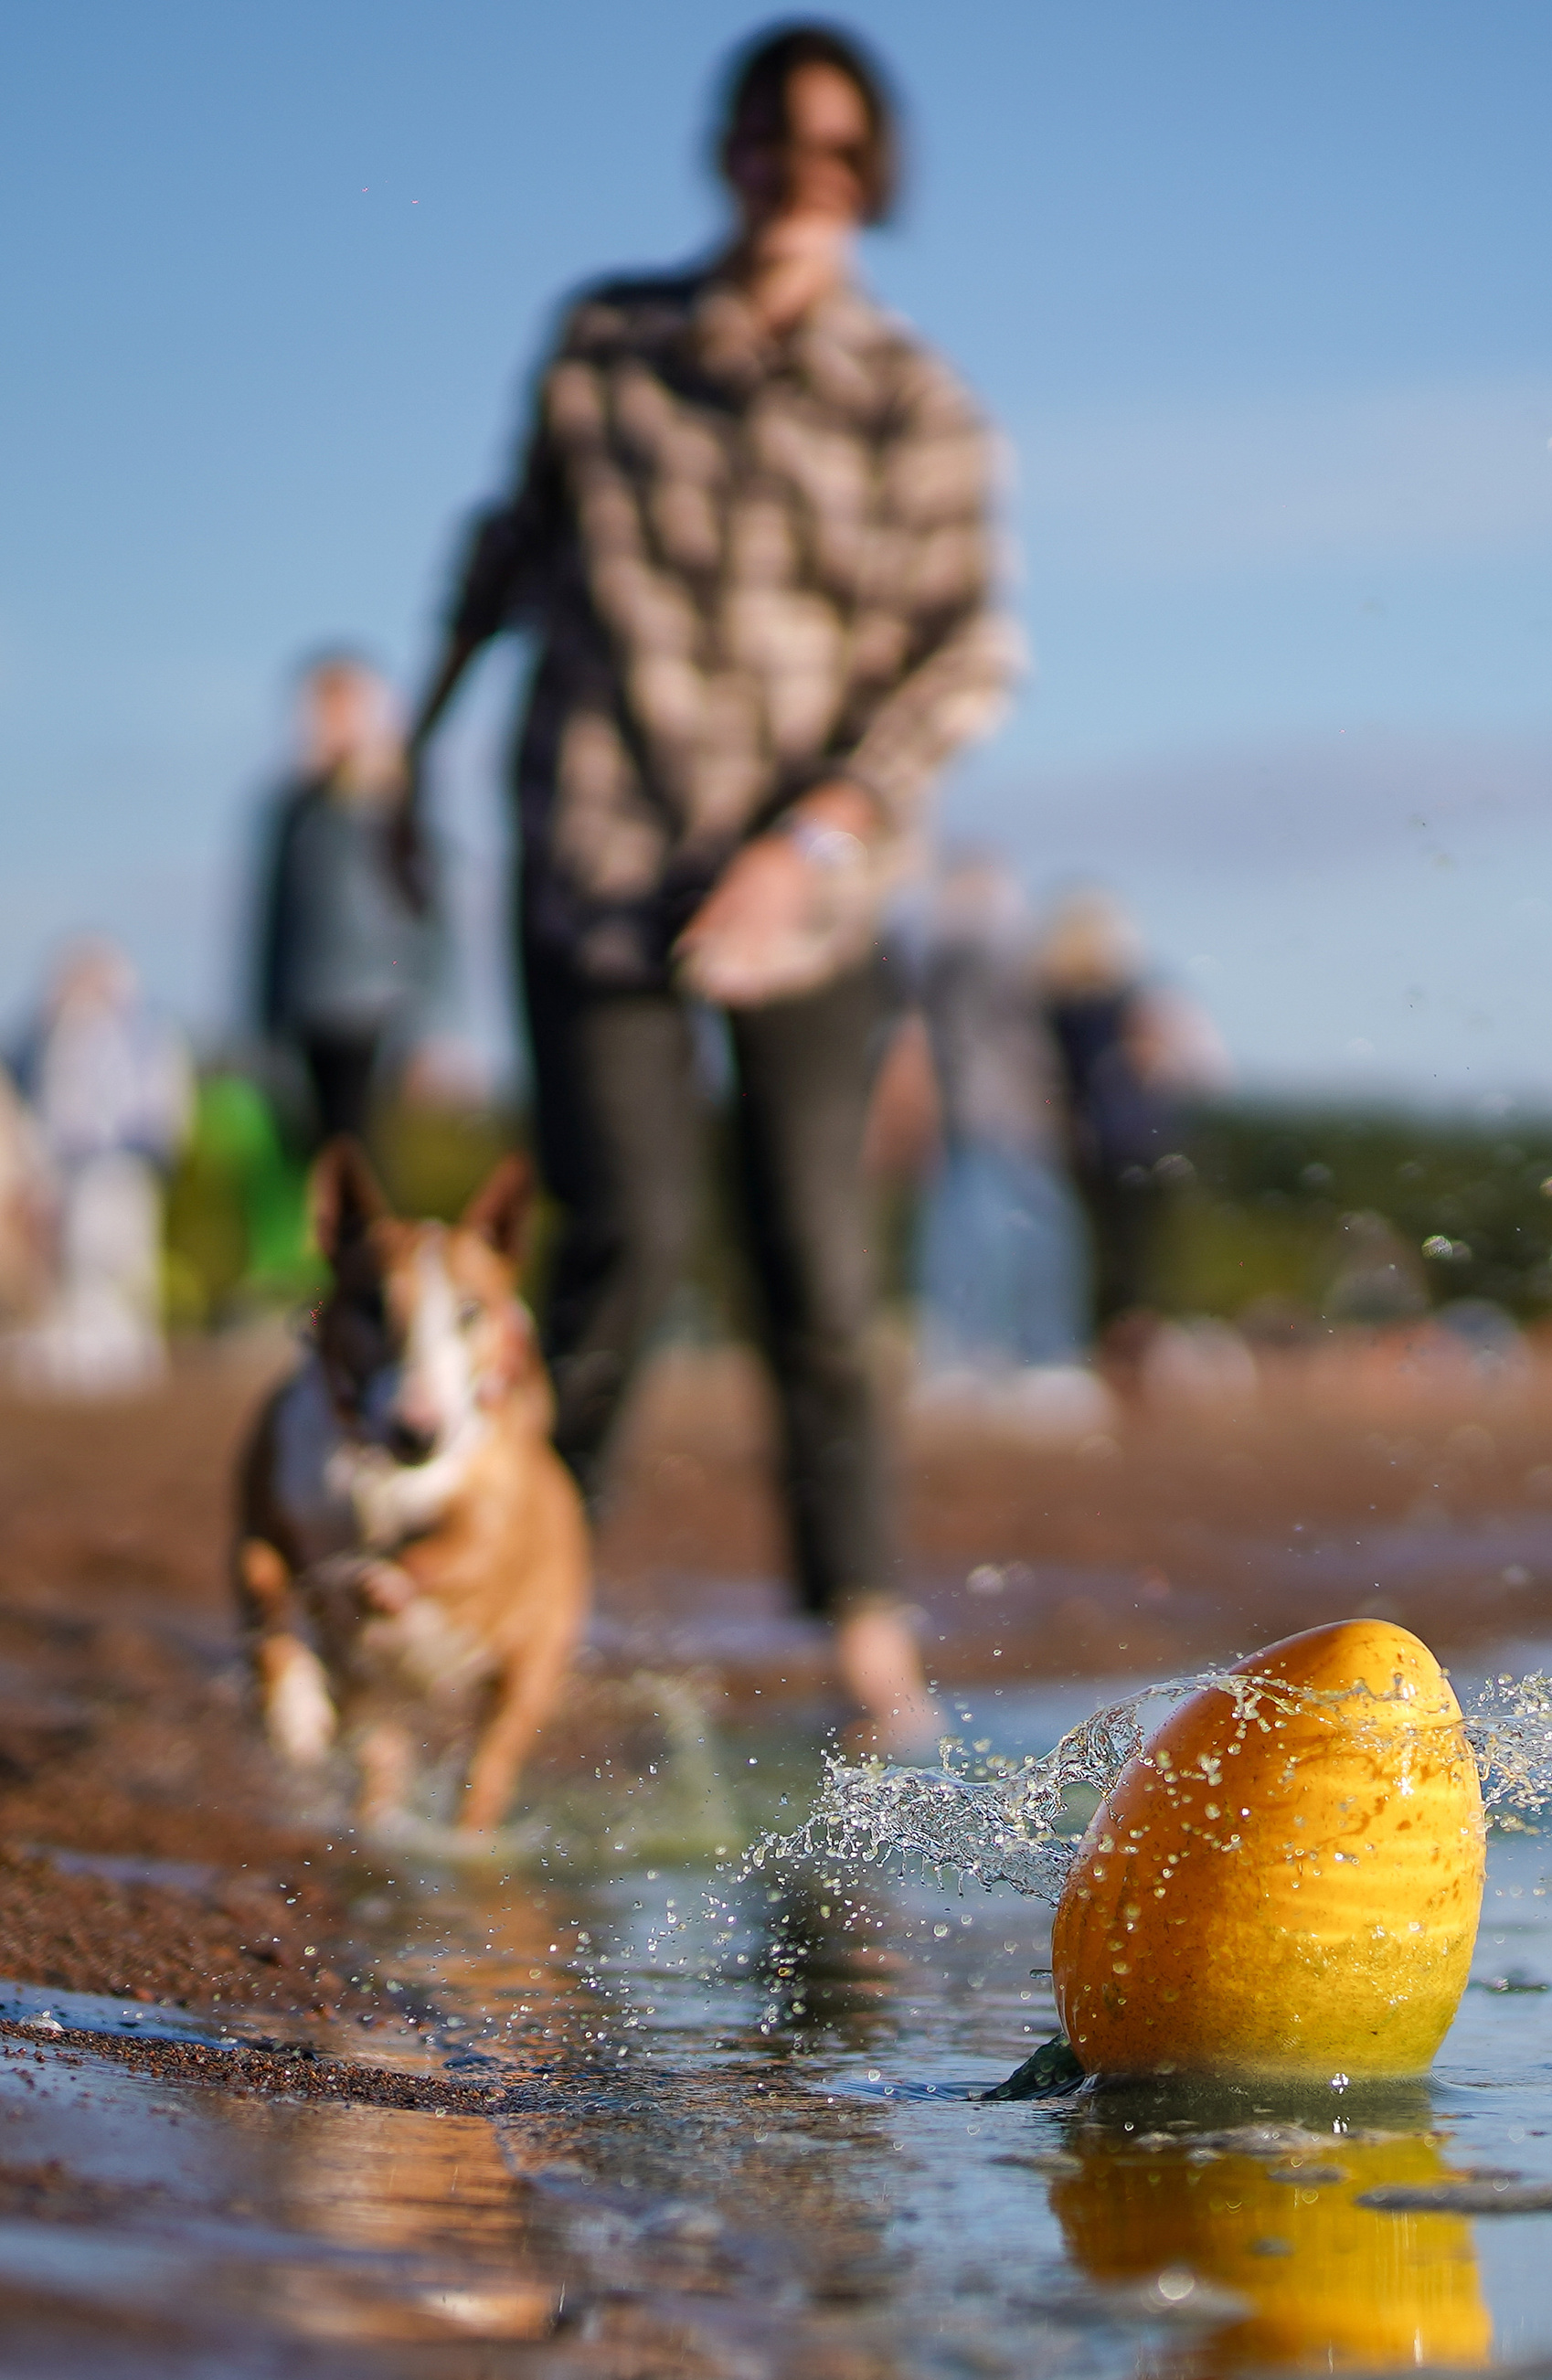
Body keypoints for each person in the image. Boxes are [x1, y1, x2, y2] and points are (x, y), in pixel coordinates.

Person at [396, 22, 1018, 1747]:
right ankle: (516, 1588)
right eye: (769, 141)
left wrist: (809, 839)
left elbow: (967, 662)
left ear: (870, 178)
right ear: (726, 153)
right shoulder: (605, 341)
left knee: (816, 1260)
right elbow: (504, 552)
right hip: (593, 844)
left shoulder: (919, 402)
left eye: (833, 153)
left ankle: (868, 1640)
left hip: (809, 889)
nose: (795, 176)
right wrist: (409, 752)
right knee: (625, 1239)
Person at [905, 853, 1089, 1392]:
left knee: (998, 1231)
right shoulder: (978, 949)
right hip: (996, 1115)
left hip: (999, 1116)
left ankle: (1013, 1354)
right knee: (994, 1231)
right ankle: (1010, 1355)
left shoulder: (960, 950)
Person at [254, 654, 440, 1147]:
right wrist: (264, 1026)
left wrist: (428, 1018)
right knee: (316, 1151)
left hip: (381, 1004)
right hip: (309, 1008)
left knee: (368, 1150)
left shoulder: (395, 798)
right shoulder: (293, 806)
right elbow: (272, 921)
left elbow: (427, 914)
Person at [1037, 887, 1226, 1357]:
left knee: (1109, 1253)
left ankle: (1118, 1344)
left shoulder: (1058, 1006)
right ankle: (1132, 1345)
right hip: (1137, 1142)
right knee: (1139, 1256)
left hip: (1093, 1146)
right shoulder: (1131, 999)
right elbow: (1201, 1068)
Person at [10, 938, 190, 1397]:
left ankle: (131, 1351)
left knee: (126, 1261)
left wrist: (159, 1152)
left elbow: (167, 1101)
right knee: (86, 1263)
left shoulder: (144, 1031)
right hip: (82, 1170)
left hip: (126, 1163)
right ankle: (92, 1355)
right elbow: (48, 1108)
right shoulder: (57, 1034)